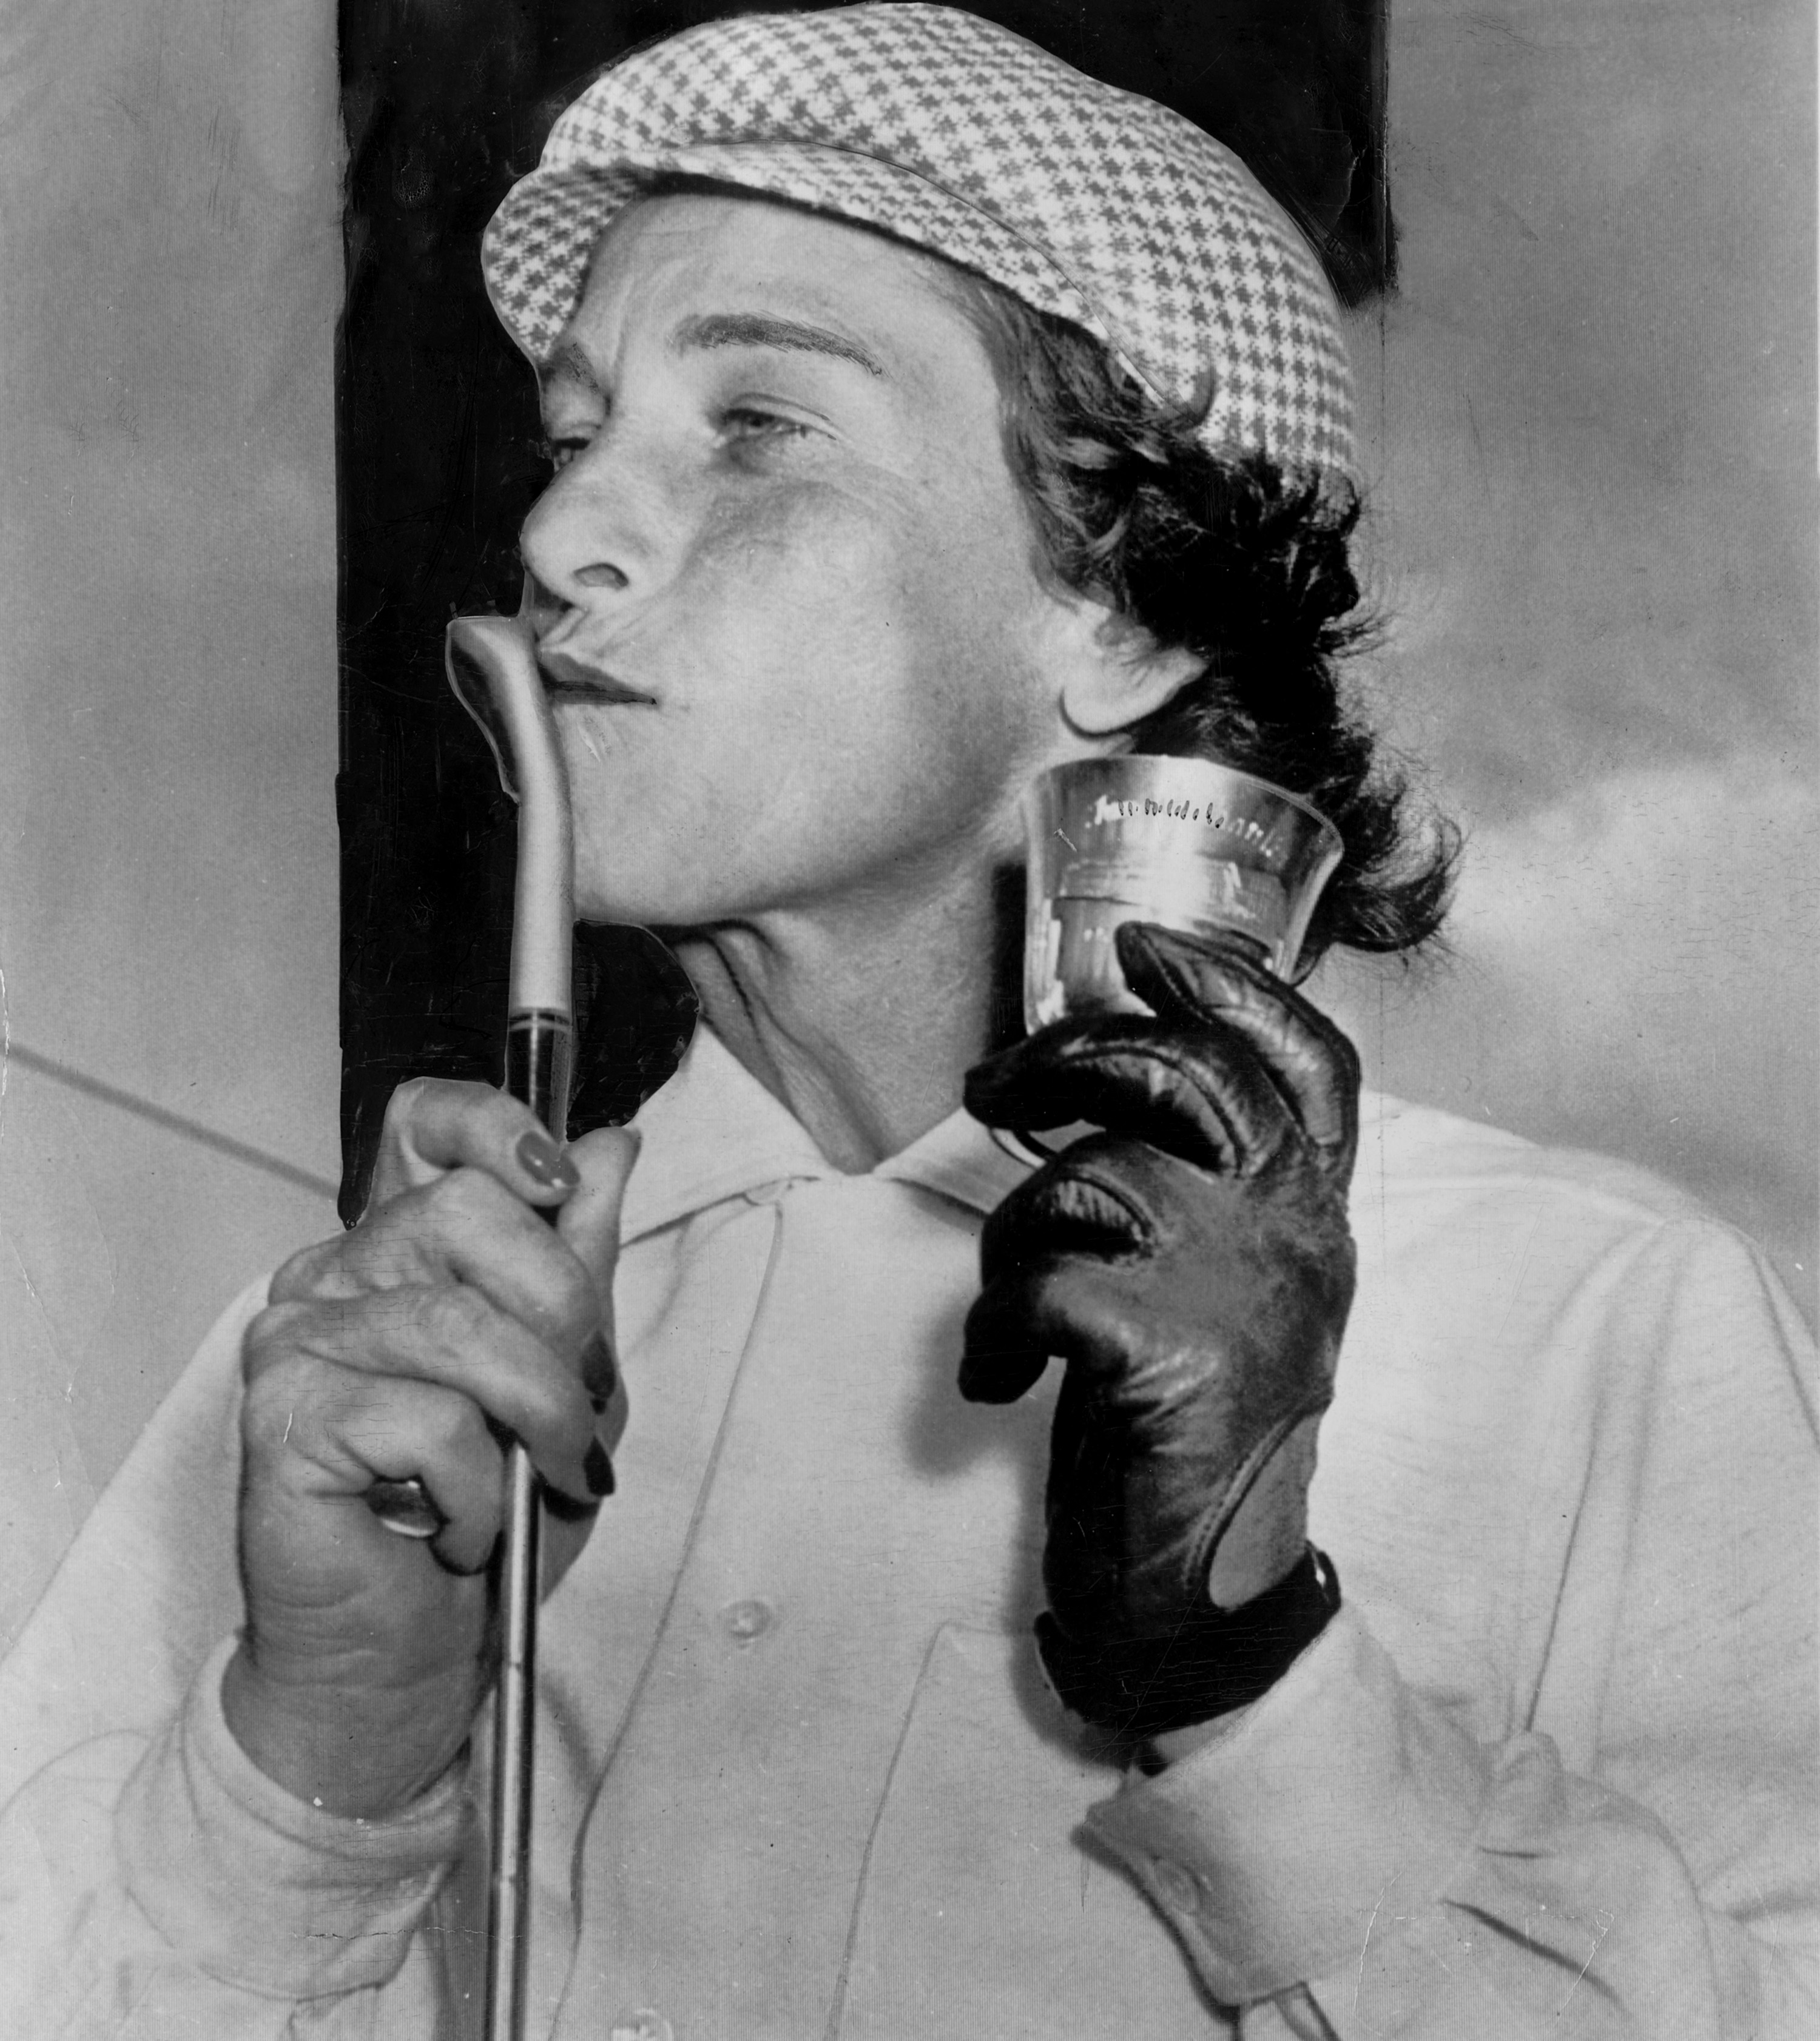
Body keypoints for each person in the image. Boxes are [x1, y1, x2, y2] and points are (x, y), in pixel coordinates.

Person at [0, 7, 1813, 2036]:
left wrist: (1246, 1671)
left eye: (757, 427)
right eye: (573, 436)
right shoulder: (370, 1362)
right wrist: (320, 1750)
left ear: (1121, 610)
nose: (558, 536)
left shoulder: (1602, 1334)